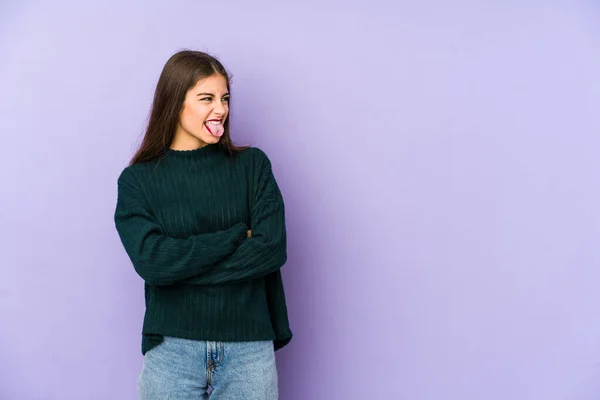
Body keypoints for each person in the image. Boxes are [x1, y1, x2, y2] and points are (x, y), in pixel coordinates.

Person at [113, 50, 292, 400]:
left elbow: (271, 248)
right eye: (206, 98)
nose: (221, 109)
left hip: (248, 350)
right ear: (175, 103)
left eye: (224, 98)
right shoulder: (137, 181)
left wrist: (179, 270)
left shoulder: (252, 166)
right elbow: (151, 262)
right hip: (172, 352)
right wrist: (237, 235)